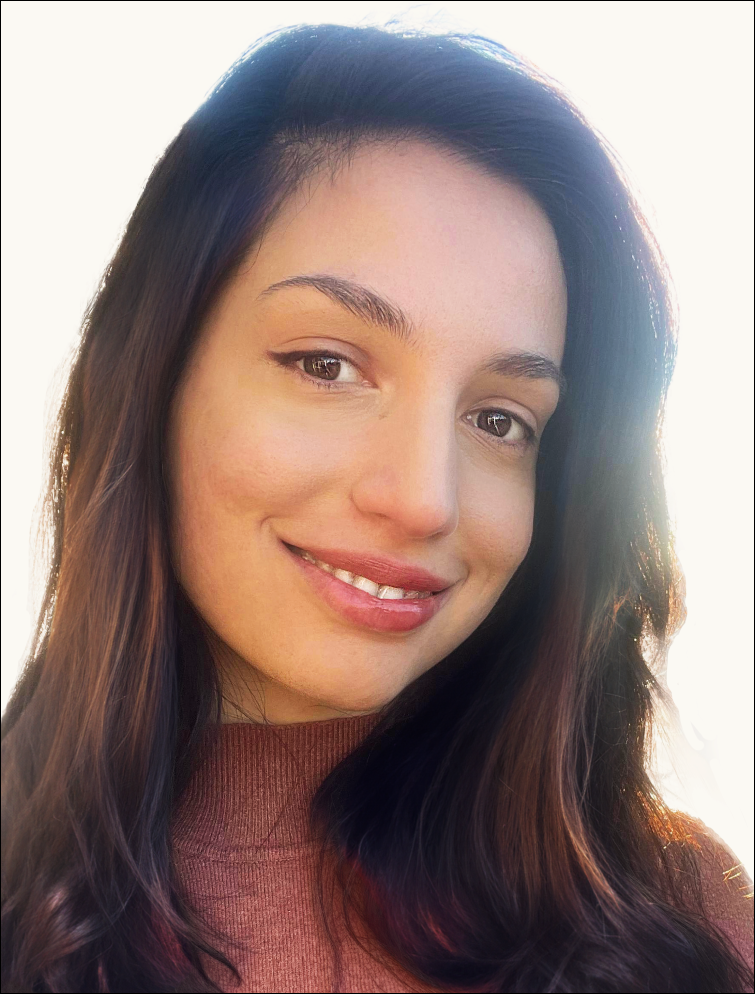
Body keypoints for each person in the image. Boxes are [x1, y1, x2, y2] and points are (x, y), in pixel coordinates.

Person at [1, 22, 752, 994]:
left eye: (499, 419)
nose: (423, 500)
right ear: (151, 378)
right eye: (326, 365)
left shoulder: (676, 923)